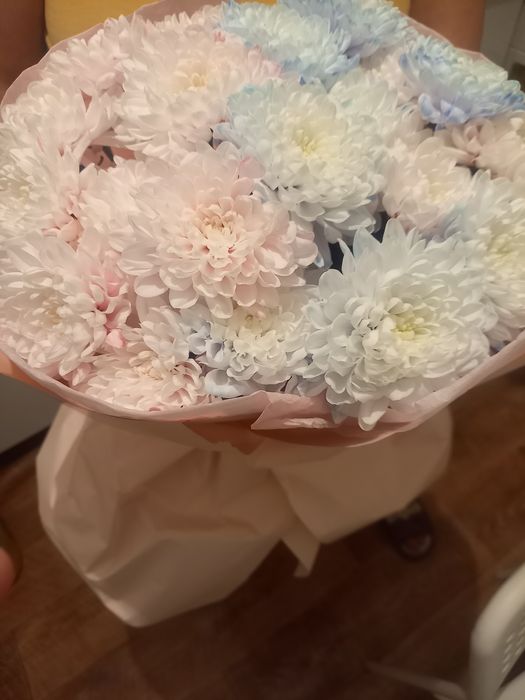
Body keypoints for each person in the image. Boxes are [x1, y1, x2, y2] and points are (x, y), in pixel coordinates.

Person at [0, 0, 487, 598]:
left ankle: (377, 498)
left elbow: (452, 55)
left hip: (369, 212)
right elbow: (12, 86)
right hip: (145, 341)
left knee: (384, 431)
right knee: (189, 513)